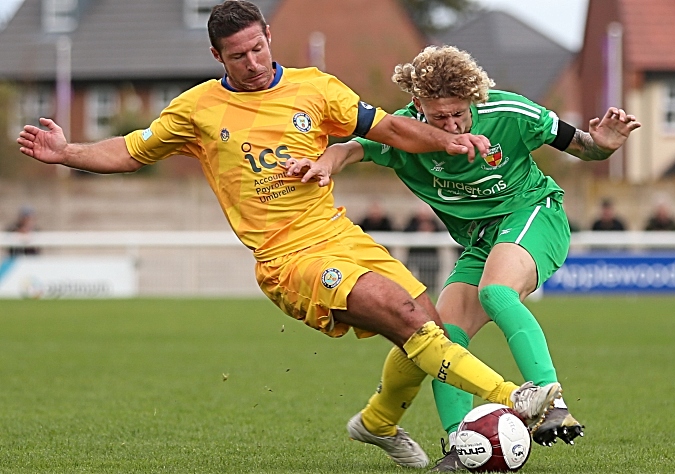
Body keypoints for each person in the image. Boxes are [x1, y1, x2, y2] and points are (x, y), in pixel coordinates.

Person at [17, 3, 560, 469]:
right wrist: (68, 153)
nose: (252, 63)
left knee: (426, 325)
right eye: (238, 56)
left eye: (258, 48)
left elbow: (389, 129)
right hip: (285, 259)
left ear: (269, 38)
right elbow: (132, 150)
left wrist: (446, 144)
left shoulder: (316, 88)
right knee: (403, 313)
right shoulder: (199, 109)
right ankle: (514, 396)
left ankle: (377, 423)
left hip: (339, 236)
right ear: (217, 58)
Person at [285, 45, 641, 470]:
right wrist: (325, 163)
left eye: (459, 114)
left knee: (495, 291)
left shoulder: (511, 112)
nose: (452, 125)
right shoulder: (403, 132)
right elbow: (349, 148)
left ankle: (552, 403)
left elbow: (583, 146)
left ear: (474, 99)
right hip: (480, 239)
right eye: (439, 117)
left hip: (532, 212)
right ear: (419, 106)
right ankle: (462, 443)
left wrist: (604, 146)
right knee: (441, 335)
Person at [403, 203, 442, 294]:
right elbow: (405, 233)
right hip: (415, 256)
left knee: (431, 281)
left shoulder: (434, 223)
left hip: (431, 258)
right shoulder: (412, 222)